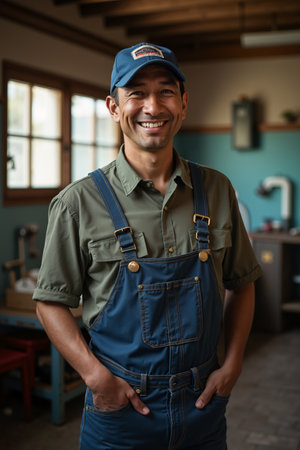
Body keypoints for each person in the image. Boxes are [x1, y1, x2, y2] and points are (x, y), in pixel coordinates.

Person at [34, 43, 262, 449]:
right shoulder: (78, 202)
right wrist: (94, 376)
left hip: (203, 407)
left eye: (166, 91)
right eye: (136, 92)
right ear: (113, 106)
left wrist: (233, 365)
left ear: (184, 103)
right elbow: (50, 302)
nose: (153, 106)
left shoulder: (217, 189)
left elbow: (242, 282)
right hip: (120, 412)